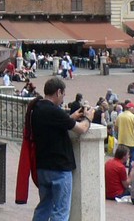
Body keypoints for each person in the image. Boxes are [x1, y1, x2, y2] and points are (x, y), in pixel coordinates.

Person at [27, 77, 93, 221]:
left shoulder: (37, 108)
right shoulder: (54, 112)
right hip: (59, 168)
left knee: (44, 207)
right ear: (58, 92)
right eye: (63, 95)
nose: (63, 99)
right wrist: (88, 118)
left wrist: (71, 117)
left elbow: (55, 123)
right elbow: (81, 129)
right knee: (61, 212)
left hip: (42, 166)